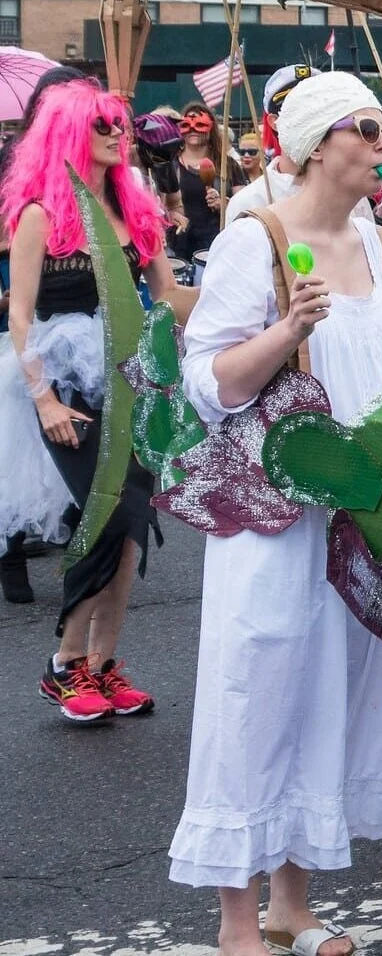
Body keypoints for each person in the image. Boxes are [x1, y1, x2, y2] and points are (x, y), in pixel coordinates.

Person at [171, 73, 382, 956]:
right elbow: (208, 383)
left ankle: (293, 906)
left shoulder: (380, 247)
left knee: (332, 692)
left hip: (359, 512)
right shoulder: (257, 240)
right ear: (320, 144)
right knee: (258, 693)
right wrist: (286, 329)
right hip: (275, 518)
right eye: (369, 125)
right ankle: (237, 921)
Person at [4, 80, 184, 721]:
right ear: (70, 131)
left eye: (120, 123)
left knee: (131, 522)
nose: (117, 132)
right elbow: (20, 318)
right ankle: (65, 664)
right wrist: (45, 399)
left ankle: (103, 666)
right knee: (102, 516)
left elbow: (165, 294)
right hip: (66, 383)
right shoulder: (40, 215)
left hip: (133, 379)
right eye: (101, 123)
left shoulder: (136, 209)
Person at [0, 64, 88, 607]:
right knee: (18, 448)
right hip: (24, 315)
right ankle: (11, 556)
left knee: (75, 441)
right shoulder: (14, 162)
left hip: (80, 327)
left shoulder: (95, 168)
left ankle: (83, 550)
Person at [223, 64, 318, 223]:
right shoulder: (249, 202)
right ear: (274, 122)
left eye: (317, 107)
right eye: (296, 109)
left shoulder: (351, 196)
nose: (309, 116)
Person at [169, 101, 244, 270]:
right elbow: (158, 204)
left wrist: (226, 204)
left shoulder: (228, 165)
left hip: (217, 246)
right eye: (186, 125)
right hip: (179, 249)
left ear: (211, 129)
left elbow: (246, 207)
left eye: (200, 124)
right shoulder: (169, 166)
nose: (193, 129)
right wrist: (170, 213)